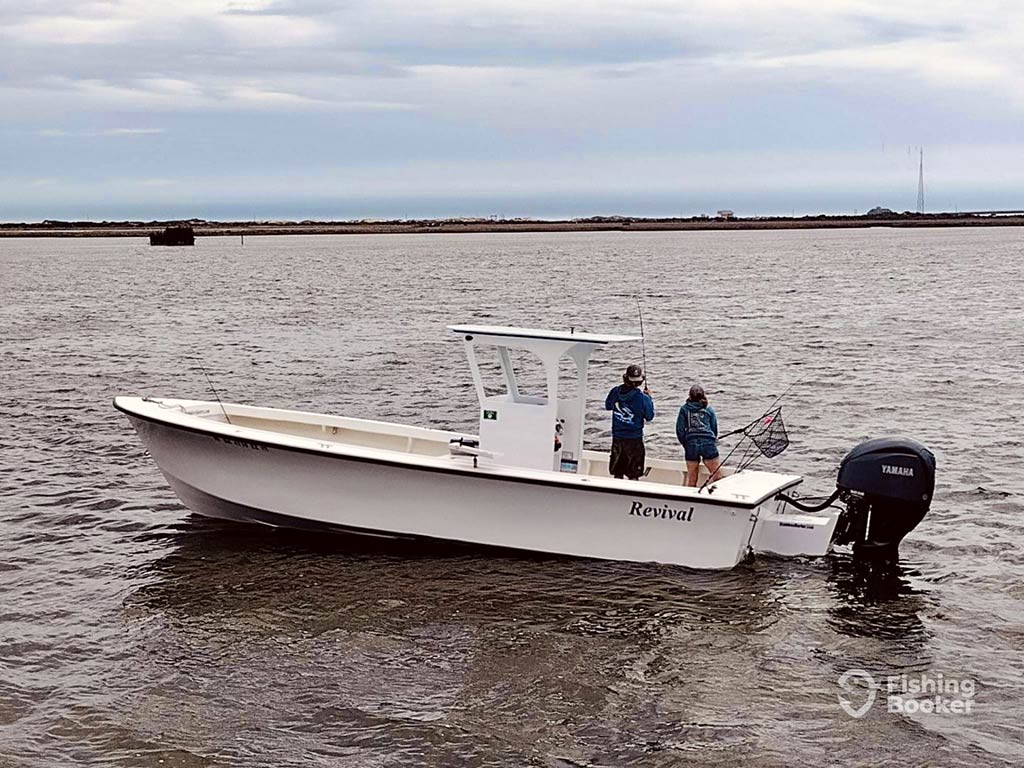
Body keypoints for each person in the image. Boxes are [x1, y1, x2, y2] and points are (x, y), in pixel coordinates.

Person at [604, 364, 655, 480]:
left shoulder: (615, 392)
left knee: (618, 473)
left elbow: (608, 406)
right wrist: (649, 398)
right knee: (634, 474)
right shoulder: (643, 398)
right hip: (634, 440)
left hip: (617, 438)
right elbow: (649, 416)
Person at [676, 384, 722, 487]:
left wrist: (685, 443)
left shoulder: (684, 409)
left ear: (690, 396)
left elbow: (680, 430)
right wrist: (712, 439)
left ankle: (690, 499)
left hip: (691, 444)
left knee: (692, 478)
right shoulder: (708, 409)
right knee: (717, 476)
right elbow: (714, 428)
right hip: (708, 443)